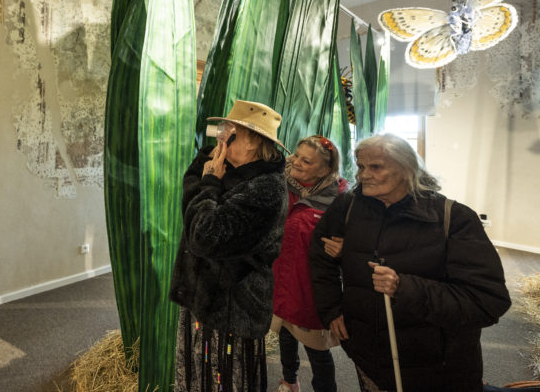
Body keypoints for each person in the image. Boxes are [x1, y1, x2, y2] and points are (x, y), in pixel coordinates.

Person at [309, 133, 511, 392]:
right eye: (361, 166)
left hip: (439, 367)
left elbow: (488, 301)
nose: (363, 175)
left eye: (376, 167)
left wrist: (404, 288)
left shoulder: (454, 218)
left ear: (407, 169)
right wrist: (331, 309)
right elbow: (320, 256)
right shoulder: (347, 205)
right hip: (367, 355)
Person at [171, 100, 289, 392]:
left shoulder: (266, 188)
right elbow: (191, 208)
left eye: (230, 131)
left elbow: (204, 235)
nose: (221, 135)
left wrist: (210, 181)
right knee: (198, 374)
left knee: (222, 378)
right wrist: (206, 166)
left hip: (232, 309)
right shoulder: (232, 170)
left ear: (252, 142)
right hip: (206, 299)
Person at [272, 135, 348, 392]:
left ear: (325, 170)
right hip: (283, 280)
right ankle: (289, 381)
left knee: (317, 349)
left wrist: (344, 248)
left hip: (312, 289)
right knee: (285, 335)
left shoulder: (339, 201)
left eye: (307, 161)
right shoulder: (281, 185)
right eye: (297, 155)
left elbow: (353, 243)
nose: (296, 162)